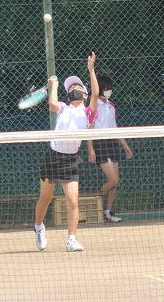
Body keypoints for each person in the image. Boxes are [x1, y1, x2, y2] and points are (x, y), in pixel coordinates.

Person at [34, 52, 99, 252]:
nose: (73, 88)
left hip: (71, 160)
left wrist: (91, 70)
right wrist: (54, 85)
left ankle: (71, 239)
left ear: (85, 95)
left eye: (77, 86)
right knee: (45, 199)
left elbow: (96, 95)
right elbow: (52, 103)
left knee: (72, 201)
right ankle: (38, 227)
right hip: (53, 158)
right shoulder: (63, 107)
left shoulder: (88, 112)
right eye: (70, 87)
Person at [87, 76, 132, 223]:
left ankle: (107, 212)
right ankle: (92, 204)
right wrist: (91, 149)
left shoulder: (111, 105)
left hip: (112, 144)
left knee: (114, 182)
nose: (109, 91)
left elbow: (114, 127)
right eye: (106, 89)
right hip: (100, 143)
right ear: (100, 89)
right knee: (114, 179)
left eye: (110, 88)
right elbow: (89, 128)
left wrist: (125, 145)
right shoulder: (94, 105)